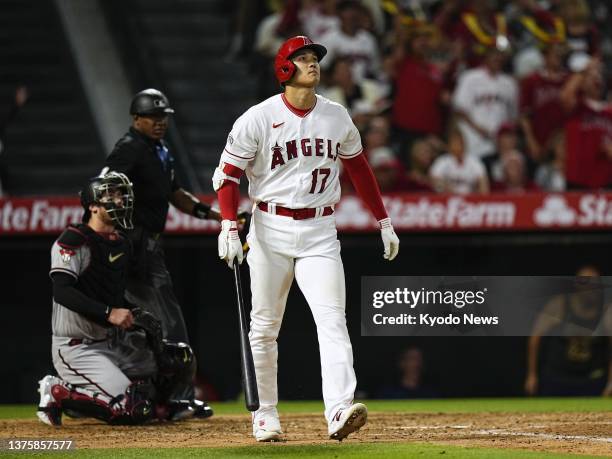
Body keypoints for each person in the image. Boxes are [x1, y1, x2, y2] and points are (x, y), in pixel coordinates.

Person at [213, 36, 400, 442]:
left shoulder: (336, 116)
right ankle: (265, 415)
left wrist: (383, 220)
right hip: (269, 228)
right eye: (303, 58)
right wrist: (229, 225)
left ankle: (339, 410)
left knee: (332, 320)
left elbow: (360, 169)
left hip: (319, 230)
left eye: (314, 58)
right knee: (264, 328)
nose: (312, 64)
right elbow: (225, 177)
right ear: (284, 68)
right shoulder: (257, 118)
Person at [103, 89, 217, 416]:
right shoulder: (129, 148)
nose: (160, 122)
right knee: (168, 324)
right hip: (132, 244)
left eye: (163, 117)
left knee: (150, 326)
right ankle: (176, 399)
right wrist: (117, 234)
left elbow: (175, 193)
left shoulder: (160, 150)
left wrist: (214, 216)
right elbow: (101, 186)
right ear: (136, 119)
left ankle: (158, 398)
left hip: (147, 243)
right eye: (153, 117)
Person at [37, 171, 157, 426]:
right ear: (92, 206)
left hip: (109, 342)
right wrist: (109, 313)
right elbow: (62, 291)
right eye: (111, 195)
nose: (120, 201)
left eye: (121, 195)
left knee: (169, 363)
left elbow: (108, 293)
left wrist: (134, 313)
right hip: (76, 347)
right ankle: (57, 392)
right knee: (132, 409)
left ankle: (86, 401)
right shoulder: (73, 240)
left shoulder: (121, 243)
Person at [525, 265, 612, 397]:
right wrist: (532, 375)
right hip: (558, 378)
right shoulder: (559, 304)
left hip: (591, 380)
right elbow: (535, 337)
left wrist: (610, 382)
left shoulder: (607, 311)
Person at [430, 127, 489, 194]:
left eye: (460, 143)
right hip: (448, 198)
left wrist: (480, 198)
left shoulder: (474, 161)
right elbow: (434, 179)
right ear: (449, 146)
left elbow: (483, 183)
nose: (458, 146)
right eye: (454, 143)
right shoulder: (443, 161)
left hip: (470, 198)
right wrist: (449, 189)